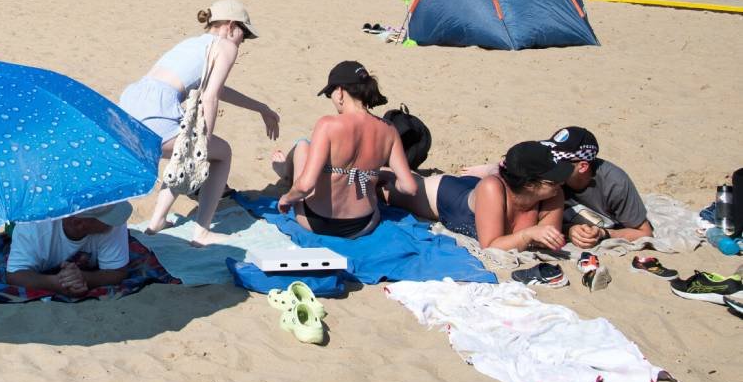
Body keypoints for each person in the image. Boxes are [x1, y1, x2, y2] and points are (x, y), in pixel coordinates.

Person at [120, 0, 279, 245]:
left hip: (130, 107)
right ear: (230, 26)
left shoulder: (193, 43)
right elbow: (210, 96)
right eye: (243, 35)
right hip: (156, 112)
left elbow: (218, 90)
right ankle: (202, 231)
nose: (242, 41)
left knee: (184, 151)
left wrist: (261, 108)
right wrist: (203, 143)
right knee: (221, 152)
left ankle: (156, 222)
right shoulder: (225, 45)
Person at [272, 62, 418, 238]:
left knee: (303, 145)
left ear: (340, 91)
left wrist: (286, 199)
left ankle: (284, 173)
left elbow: (306, 185)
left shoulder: (328, 124)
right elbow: (410, 188)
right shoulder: (389, 130)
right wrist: (377, 177)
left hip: (318, 221)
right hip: (364, 224)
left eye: (329, 94)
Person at [460, 127, 652, 247]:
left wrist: (603, 234)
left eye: (559, 161)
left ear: (582, 166)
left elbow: (644, 233)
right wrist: (489, 168)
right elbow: (524, 168)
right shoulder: (550, 181)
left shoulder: (614, 183)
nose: (552, 165)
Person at [386, 140, 570, 251]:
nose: (561, 182)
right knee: (388, 188)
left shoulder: (553, 194)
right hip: (448, 196)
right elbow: (490, 245)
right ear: (530, 184)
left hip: (483, 193)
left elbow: (548, 240)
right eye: (553, 180)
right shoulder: (491, 189)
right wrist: (528, 234)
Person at [4, 202, 132, 296]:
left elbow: (117, 272)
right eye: (107, 218)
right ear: (78, 223)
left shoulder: (112, 224)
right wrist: (55, 283)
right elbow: (15, 275)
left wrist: (84, 278)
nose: (114, 221)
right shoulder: (32, 226)